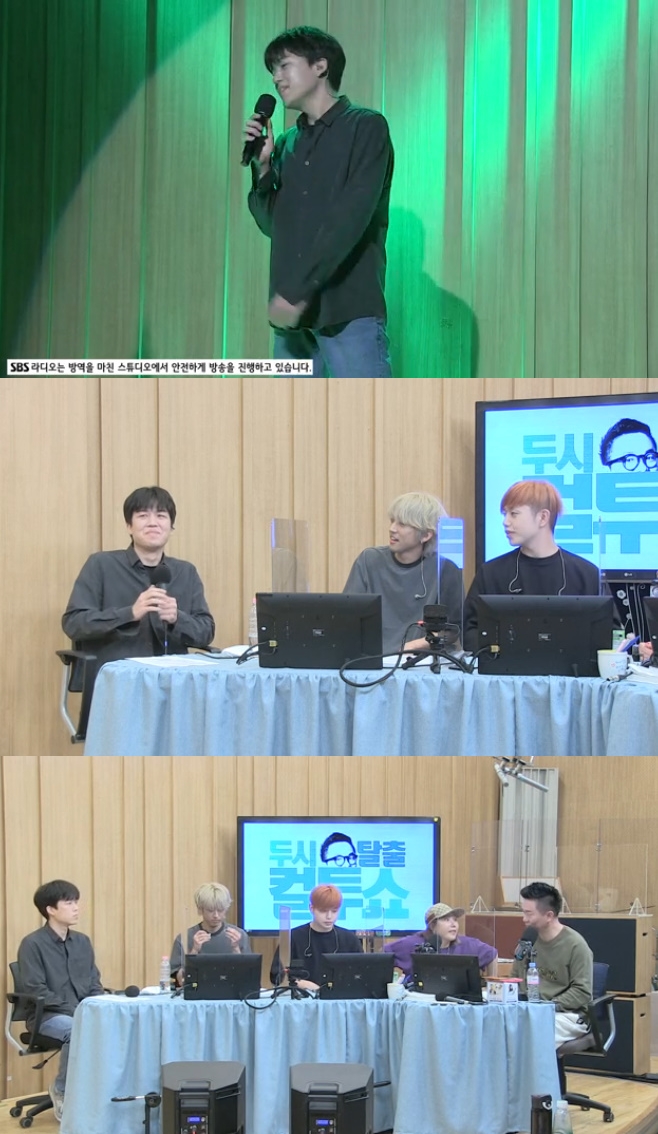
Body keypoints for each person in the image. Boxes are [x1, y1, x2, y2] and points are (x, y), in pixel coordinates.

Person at [245, 26, 394, 378]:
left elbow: (351, 218)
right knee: (291, 415)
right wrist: (262, 168)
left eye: (284, 65)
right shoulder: (287, 143)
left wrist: (296, 292)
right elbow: (273, 226)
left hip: (347, 310)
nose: (276, 78)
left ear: (320, 66)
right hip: (292, 323)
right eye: (272, 70)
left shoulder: (366, 127)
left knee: (369, 412)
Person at [62, 485, 215, 669]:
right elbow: (74, 623)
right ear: (129, 526)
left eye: (161, 516)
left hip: (171, 677)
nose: (153, 523)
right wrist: (129, 614)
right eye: (143, 516)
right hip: (118, 675)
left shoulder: (186, 572)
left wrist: (177, 618)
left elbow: (206, 631)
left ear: (171, 527)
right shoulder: (101, 564)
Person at [463, 480, 601, 653]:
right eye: (504, 514)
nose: (505, 522)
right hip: (506, 669)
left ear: (543, 517)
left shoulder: (586, 574)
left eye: (514, 514)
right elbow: (470, 632)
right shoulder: (491, 573)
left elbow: (609, 634)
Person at [17, 880, 105, 1122]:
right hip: (47, 1016)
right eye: (69, 902)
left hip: (82, 1012)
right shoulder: (32, 944)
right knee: (77, 1030)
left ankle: (99, 1093)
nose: (76, 907)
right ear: (51, 909)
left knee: (110, 1026)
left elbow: (94, 983)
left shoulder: (83, 942)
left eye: (76, 901)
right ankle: (62, 1090)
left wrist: (101, 1006)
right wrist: (79, 1011)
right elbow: (36, 990)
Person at [343, 492, 463, 655]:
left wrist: (413, 646)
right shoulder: (369, 560)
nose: (392, 529)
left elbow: (452, 630)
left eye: (402, 524)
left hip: (422, 660)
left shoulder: (446, 569)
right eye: (392, 521)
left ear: (426, 535)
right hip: (373, 658)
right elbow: (348, 616)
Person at [512, 881, 592, 1046]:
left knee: (534, 1033)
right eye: (523, 912)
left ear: (549, 915)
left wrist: (548, 1006)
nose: (524, 919)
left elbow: (582, 992)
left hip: (566, 1014)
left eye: (529, 914)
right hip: (530, 1010)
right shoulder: (528, 940)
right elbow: (515, 977)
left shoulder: (576, 945)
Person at [270, 884, 361, 990]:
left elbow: (361, 975)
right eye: (323, 911)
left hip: (341, 996)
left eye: (334, 911)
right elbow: (276, 976)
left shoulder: (350, 940)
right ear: (311, 908)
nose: (329, 916)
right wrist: (298, 983)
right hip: (302, 997)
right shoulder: (293, 937)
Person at [383, 902, 497, 978]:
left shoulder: (467, 944)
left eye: (455, 920)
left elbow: (492, 954)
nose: (453, 924)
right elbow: (383, 954)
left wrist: (492, 984)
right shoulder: (412, 943)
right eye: (446, 920)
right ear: (432, 925)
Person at [170, 883, 251, 986]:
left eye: (220, 910)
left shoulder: (239, 936)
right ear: (200, 910)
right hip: (196, 991)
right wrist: (194, 951)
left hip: (231, 991)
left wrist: (236, 949)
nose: (216, 915)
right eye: (210, 910)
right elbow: (180, 981)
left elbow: (248, 977)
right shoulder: (184, 938)